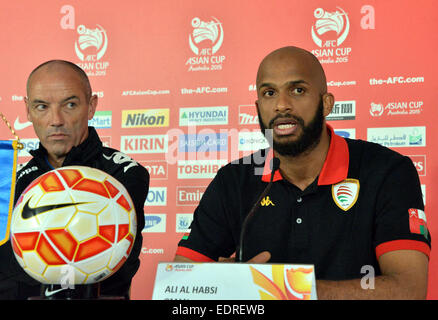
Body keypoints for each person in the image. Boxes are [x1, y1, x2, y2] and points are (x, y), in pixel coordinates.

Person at [174, 46, 431, 299]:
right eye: (269, 92)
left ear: (326, 103)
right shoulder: (233, 180)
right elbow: (179, 282)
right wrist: (218, 283)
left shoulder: (388, 171)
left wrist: (282, 290)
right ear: (257, 107)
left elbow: (409, 288)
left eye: (298, 90)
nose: (281, 105)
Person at [0, 60, 149, 299]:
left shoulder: (122, 175)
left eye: (70, 104)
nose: (56, 120)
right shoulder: (10, 184)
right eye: (42, 107)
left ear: (91, 106)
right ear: (27, 110)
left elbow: (95, 266)